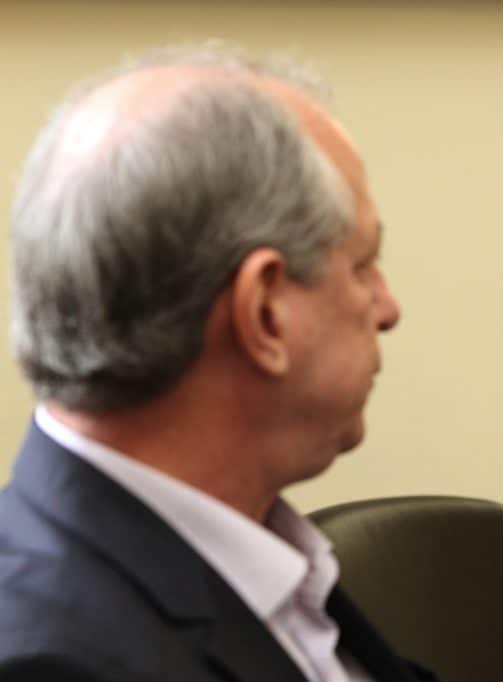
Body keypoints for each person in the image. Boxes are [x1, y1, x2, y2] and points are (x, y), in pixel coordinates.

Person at [0, 46, 435, 681]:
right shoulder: (49, 662)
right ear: (265, 314)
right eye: (362, 265)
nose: (388, 308)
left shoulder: (253, 562)